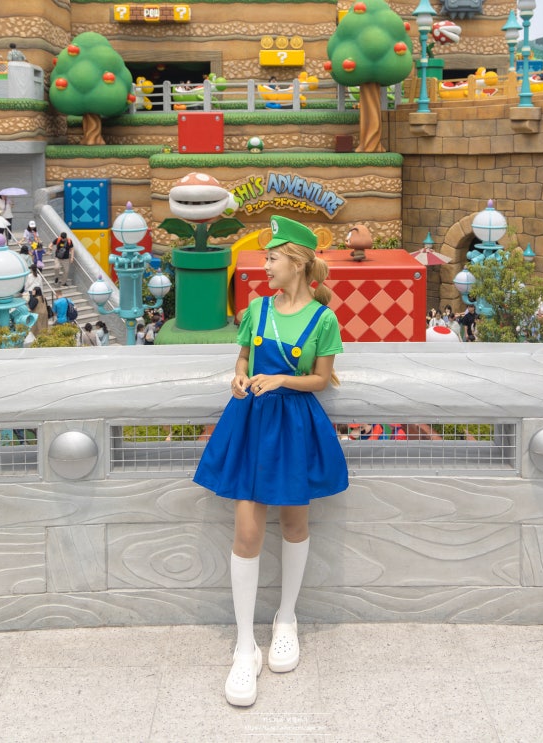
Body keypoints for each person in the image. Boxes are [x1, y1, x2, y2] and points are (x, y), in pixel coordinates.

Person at [193, 215, 348, 708]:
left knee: (296, 524)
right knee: (246, 533)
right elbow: (242, 359)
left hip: (294, 425)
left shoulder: (323, 320)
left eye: (272, 258)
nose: (265, 265)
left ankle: (286, 619)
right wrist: (239, 377)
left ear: (297, 263)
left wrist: (282, 380)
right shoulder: (256, 310)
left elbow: (321, 379)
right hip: (252, 423)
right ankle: (245, 646)